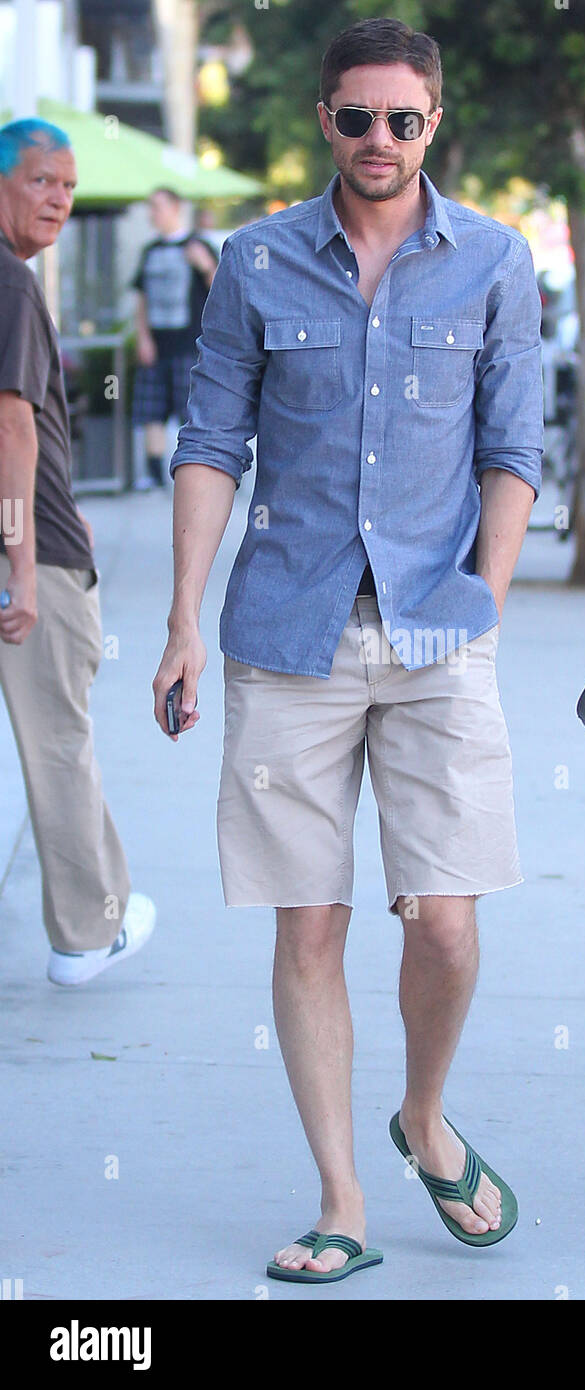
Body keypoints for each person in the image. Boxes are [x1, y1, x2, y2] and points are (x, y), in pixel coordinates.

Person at [152, 16, 543, 1283]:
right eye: (357, 117)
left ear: (435, 124)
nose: (380, 139)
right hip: (285, 632)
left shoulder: (492, 258)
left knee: (441, 923)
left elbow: (513, 451)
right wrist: (180, 627)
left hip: (438, 634)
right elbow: (212, 440)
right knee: (307, 925)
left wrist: (482, 597)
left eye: (404, 119)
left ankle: (424, 1116)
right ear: (325, 119)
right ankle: (340, 1199)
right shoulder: (255, 259)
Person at [0, 118, 155, 986]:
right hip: (29, 560)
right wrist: (23, 557)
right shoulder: (12, 285)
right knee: (60, 740)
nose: (58, 198)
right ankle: (87, 933)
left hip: (41, 533)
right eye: (39, 182)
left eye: (67, 184)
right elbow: (11, 421)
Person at [131, 188, 217, 488]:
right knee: (150, 409)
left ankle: (195, 471)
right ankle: (153, 475)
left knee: (191, 412)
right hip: (157, 343)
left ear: (176, 207)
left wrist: (205, 265)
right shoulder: (149, 251)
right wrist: (142, 337)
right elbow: (140, 298)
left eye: (158, 206)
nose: (153, 213)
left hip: (189, 344)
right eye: (150, 207)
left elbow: (222, 290)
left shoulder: (200, 245)